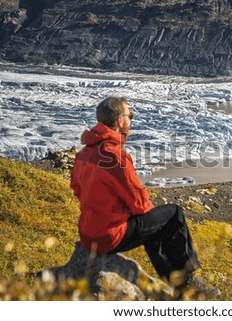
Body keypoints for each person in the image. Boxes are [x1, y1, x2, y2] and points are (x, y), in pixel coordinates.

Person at [70, 96, 218, 299]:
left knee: (153, 228)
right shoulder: (115, 156)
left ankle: (175, 283)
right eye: (130, 115)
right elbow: (140, 204)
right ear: (120, 121)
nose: (131, 119)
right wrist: (141, 216)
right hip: (109, 236)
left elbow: (77, 189)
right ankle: (189, 283)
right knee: (174, 214)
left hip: (89, 234)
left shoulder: (84, 154)